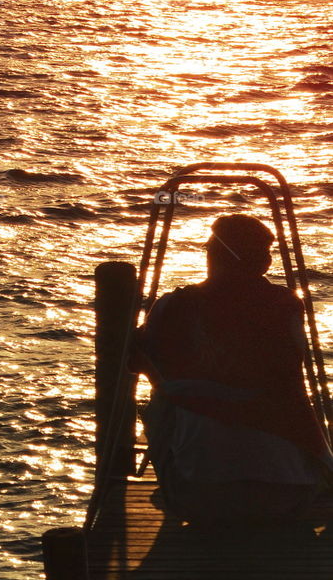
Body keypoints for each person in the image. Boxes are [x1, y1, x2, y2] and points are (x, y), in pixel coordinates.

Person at [135, 213, 333, 528]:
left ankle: (184, 479)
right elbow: (292, 388)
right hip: (288, 500)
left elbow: (136, 359)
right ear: (263, 263)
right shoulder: (285, 306)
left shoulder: (172, 307)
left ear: (213, 255)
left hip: (198, 501)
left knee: (163, 400)